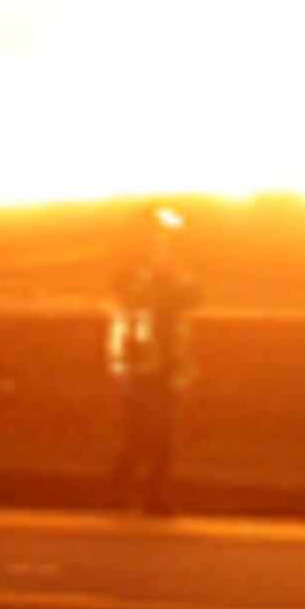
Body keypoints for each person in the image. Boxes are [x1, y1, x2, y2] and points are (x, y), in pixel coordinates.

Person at [104, 204, 199, 513]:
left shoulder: (169, 272)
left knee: (163, 438)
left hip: (166, 365)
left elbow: (192, 297)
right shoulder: (134, 273)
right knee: (140, 435)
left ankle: (154, 497)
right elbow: (136, 300)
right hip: (140, 367)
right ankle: (121, 494)